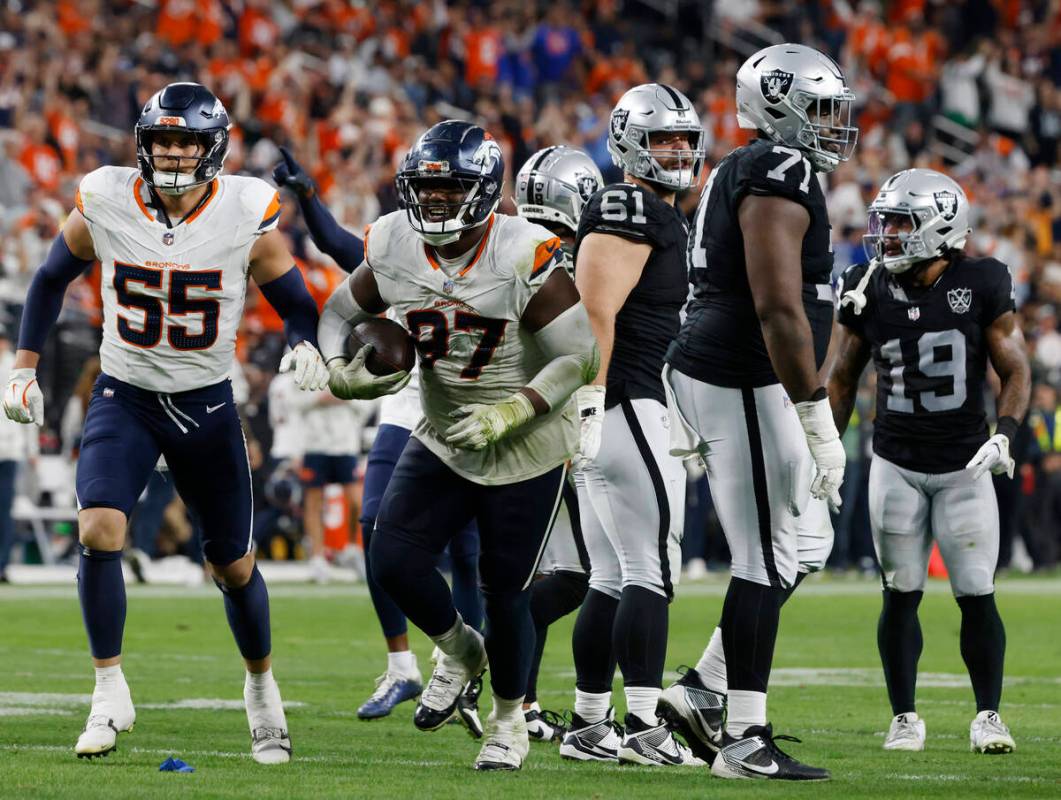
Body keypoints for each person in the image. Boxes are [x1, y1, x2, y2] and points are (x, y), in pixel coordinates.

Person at [2, 83, 330, 763]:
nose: (174, 154)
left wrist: (304, 344)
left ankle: (262, 689)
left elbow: (299, 302)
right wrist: (24, 366)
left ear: (212, 149)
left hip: (207, 404)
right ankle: (107, 688)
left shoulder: (244, 211)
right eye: (162, 142)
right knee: (98, 527)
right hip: (126, 395)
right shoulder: (108, 197)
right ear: (143, 146)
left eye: (186, 142)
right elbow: (48, 278)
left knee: (233, 566)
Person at [317, 120, 598, 771]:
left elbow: (578, 357)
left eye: (449, 190)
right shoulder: (391, 240)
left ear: (481, 190)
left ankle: (507, 722)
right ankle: (459, 647)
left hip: (527, 443)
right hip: (444, 434)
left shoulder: (524, 249)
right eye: (426, 188)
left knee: (506, 590)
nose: (435, 202)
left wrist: (512, 410)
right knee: (391, 558)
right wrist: (339, 366)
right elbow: (338, 311)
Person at [660, 44, 859, 780]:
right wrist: (813, 412)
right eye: (821, 107)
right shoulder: (778, 169)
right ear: (779, 104)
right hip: (741, 372)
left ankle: (703, 689)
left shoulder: (756, 167)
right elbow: (777, 304)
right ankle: (743, 738)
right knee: (767, 554)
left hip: (741, 372)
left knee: (805, 543)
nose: (834, 124)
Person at [272, 148, 484, 726]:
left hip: (472, 403)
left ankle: (461, 670)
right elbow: (340, 247)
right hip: (408, 401)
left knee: (469, 550)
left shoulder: (500, 250)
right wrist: (310, 200)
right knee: (374, 524)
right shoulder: (400, 249)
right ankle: (401, 666)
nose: (438, 203)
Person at [830, 169, 1031, 754]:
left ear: (940, 227)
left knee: (975, 589)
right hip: (894, 459)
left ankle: (989, 714)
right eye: (885, 221)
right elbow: (841, 379)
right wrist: (820, 450)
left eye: (899, 223)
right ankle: (904, 717)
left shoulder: (983, 280)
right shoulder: (864, 283)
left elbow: (1015, 369)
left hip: (964, 462)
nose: (886, 235)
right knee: (900, 590)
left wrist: (1007, 434)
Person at [557, 84, 706, 768]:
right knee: (652, 568)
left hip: (618, 406)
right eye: (661, 139)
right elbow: (595, 311)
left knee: (612, 577)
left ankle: (590, 726)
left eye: (683, 137)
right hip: (622, 403)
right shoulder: (629, 204)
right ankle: (645, 725)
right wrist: (589, 401)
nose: (677, 149)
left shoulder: (656, 209)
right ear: (626, 144)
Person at [512, 145, 603, 742]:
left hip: (527, 419)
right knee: (583, 575)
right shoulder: (564, 256)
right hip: (555, 421)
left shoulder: (509, 243)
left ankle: (517, 696)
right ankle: (505, 689)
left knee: (566, 576)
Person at [0, 324, 39, 581]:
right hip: (9, 447)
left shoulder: (15, 369)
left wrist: (32, 448)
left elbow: (28, 407)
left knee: (4, 509)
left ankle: (2, 563)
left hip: (9, 449)